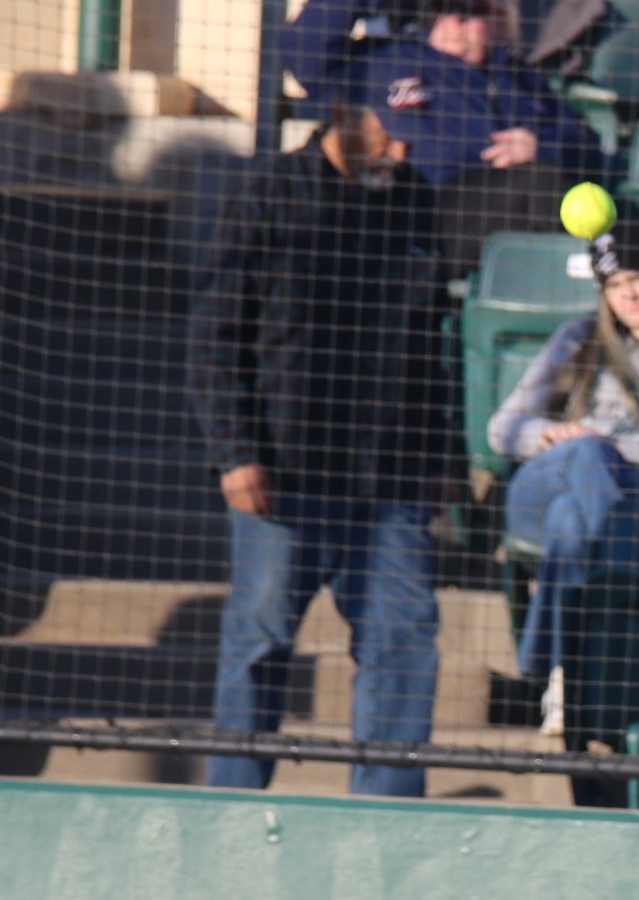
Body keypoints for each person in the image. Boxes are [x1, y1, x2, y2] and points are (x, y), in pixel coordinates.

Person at [189, 102, 457, 798]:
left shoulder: (417, 204)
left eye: (413, 143)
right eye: (391, 137)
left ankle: (385, 820)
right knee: (260, 638)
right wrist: (234, 450)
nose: (402, 155)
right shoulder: (268, 194)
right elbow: (214, 336)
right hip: (284, 469)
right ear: (350, 114)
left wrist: (441, 456)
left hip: (390, 475)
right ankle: (232, 806)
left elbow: (435, 345)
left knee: (403, 637)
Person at [487, 214, 639, 735]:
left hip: (631, 494)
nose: (629, 295)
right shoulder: (578, 338)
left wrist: (616, 447)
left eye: (638, 278)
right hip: (547, 480)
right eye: (615, 285)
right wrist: (545, 437)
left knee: (573, 520)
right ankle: (558, 667)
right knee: (582, 468)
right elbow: (502, 429)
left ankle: (552, 672)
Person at [282, 0, 601, 266]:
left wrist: (540, 147)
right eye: (443, 6)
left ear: (497, 18)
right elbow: (303, 55)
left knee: (569, 194)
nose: (454, 20)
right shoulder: (386, 60)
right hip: (413, 209)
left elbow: (585, 144)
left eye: (469, 10)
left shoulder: (518, 79)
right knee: (539, 185)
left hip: (503, 209)